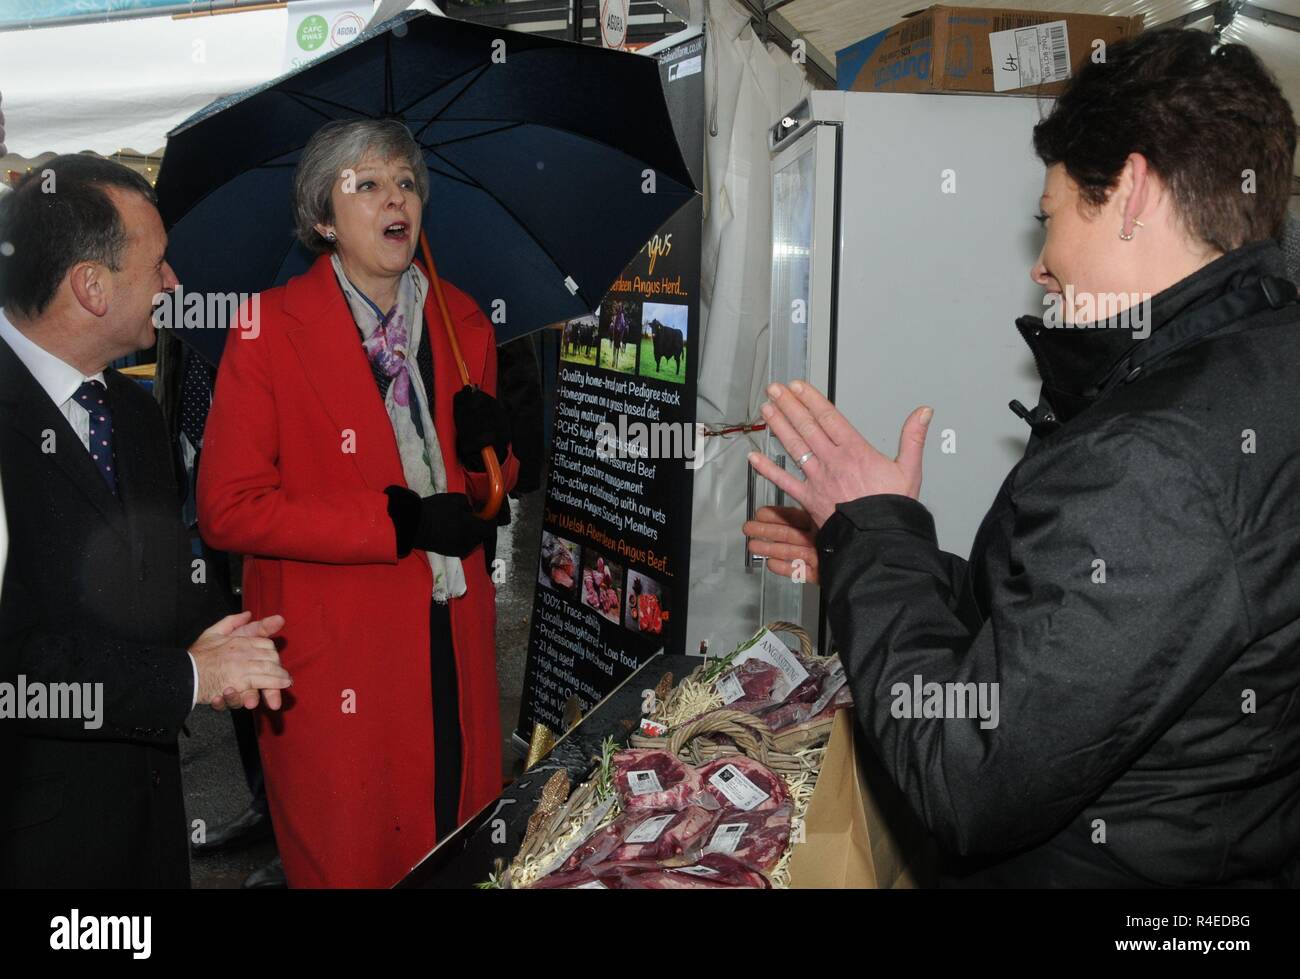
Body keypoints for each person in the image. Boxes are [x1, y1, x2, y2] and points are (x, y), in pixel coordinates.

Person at [745, 29, 1300, 887]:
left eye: (1049, 219)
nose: (1041, 266)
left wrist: (877, 534)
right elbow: (1086, 631)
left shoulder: (1154, 456)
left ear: (1132, 193)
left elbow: (967, 772)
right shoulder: (1262, 363)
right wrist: (873, 553)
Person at [198, 119, 519, 888]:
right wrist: (396, 522)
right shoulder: (266, 329)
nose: (393, 198)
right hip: (339, 656)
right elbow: (229, 507)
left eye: (405, 182)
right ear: (323, 218)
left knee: (459, 843)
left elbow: (484, 495)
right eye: (365, 184)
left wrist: (493, 464)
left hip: (453, 643)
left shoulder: (462, 321)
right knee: (356, 858)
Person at [0, 155, 291, 887]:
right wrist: (189, 675)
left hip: (151, 821)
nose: (174, 286)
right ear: (91, 287)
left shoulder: (129, 411)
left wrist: (206, 632)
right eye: (158, 263)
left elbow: (144, 579)